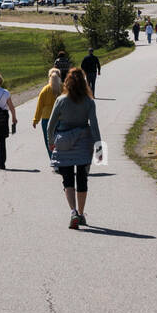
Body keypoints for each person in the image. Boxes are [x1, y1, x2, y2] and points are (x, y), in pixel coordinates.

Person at [47, 68, 103, 229]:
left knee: (68, 179)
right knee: (82, 179)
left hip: (64, 144)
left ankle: (73, 211)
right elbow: (94, 126)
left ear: (67, 83)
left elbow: (50, 125)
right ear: (84, 83)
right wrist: (99, 149)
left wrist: (51, 141)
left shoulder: (61, 100)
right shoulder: (89, 102)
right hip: (84, 144)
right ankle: (81, 213)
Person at [32, 68, 65, 156]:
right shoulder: (64, 88)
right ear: (59, 76)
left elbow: (40, 106)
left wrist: (36, 120)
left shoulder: (45, 90)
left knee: (49, 141)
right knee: (61, 140)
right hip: (61, 118)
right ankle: (61, 159)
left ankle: (53, 159)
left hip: (47, 119)